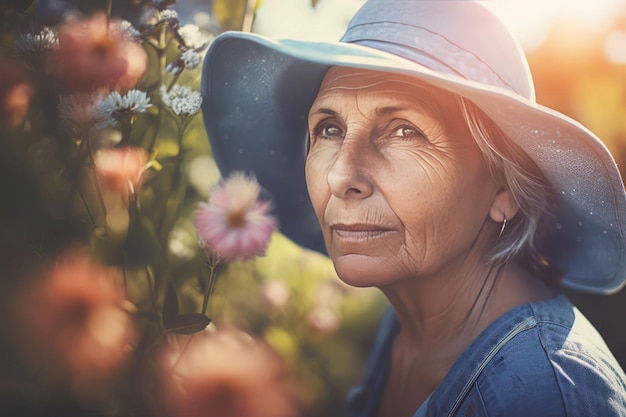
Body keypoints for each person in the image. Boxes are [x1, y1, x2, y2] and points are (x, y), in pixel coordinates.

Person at [200, 0, 626, 416]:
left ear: (504, 189)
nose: (340, 176)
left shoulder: (545, 392)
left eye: (404, 131)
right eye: (329, 129)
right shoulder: (408, 323)